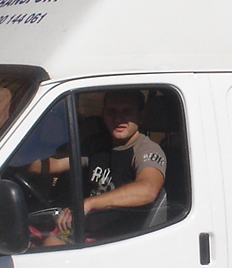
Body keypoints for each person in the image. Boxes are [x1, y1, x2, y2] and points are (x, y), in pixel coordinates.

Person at [30, 89, 166, 242]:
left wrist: (88, 204)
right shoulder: (98, 145)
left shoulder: (146, 149)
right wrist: (16, 160)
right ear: (103, 114)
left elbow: (147, 189)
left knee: (48, 244)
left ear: (141, 116)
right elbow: (53, 165)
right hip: (84, 229)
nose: (118, 118)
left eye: (127, 111)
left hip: (118, 238)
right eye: (112, 111)